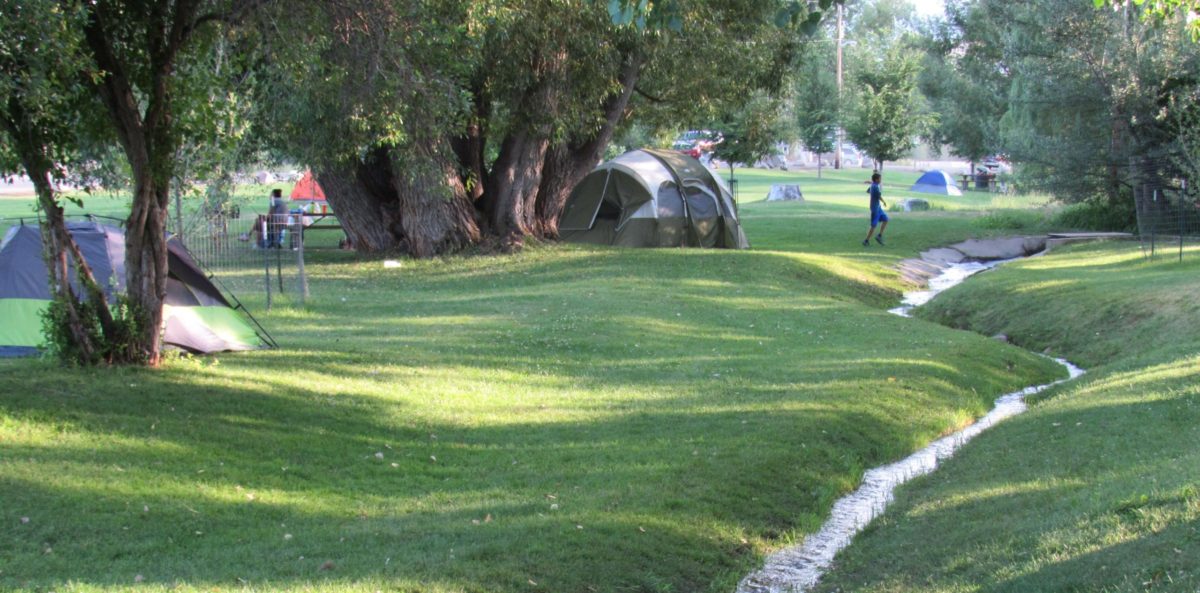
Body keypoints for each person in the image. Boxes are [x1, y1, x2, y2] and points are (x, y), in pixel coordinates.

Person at [863, 172, 888, 246]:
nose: (881, 180)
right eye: (880, 179)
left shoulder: (874, 185)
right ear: (877, 180)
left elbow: (868, 191)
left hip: (878, 208)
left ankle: (879, 236)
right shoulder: (875, 187)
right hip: (875, 209)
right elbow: (879, 197)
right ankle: (866, 240)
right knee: (873, 225)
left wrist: (870, 182)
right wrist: (884, 202)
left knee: (886, 219)